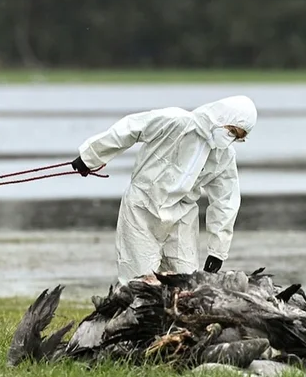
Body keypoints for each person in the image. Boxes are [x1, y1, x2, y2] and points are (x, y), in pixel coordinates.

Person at [70, 95, 257, 278]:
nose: (230, 138)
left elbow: (226, 201)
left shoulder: (224, 155)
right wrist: (90, 157)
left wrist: (218, 251)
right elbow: (129, 128)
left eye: (237, 137)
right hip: (142, 208)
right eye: (231, 131)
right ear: (221, 116)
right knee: (140, 282)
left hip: (182, 215)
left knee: (185, 282)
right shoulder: (174, 121)